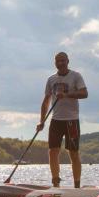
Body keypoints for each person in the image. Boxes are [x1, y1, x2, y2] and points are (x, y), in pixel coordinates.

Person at [37, 52, 87, 188]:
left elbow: (84, 93)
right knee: (53, 151)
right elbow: (46, 101)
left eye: (63, 61)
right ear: (55, 63)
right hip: (56, 120)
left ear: (68, 61)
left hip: (72, 120)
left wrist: (66, 95)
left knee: (73, 152)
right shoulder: (51, 79)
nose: (60, 63)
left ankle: (77, 186)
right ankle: (55, 183)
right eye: (57, 61)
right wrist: (41, 121)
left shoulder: (76, 76)